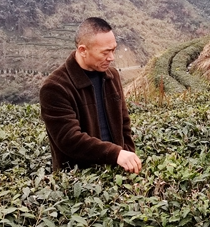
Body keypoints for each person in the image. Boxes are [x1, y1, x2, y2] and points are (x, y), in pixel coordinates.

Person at [40, 17, 142, 172]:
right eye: (105, 52)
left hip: (116, 172)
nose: (111, 58)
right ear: (82, 50)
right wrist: (116, 154)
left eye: (113, 50)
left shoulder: (112, 76)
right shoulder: (55, 87)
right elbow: (69, 140)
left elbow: (124, 124)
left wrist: (128, 156)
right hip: (79, 181)